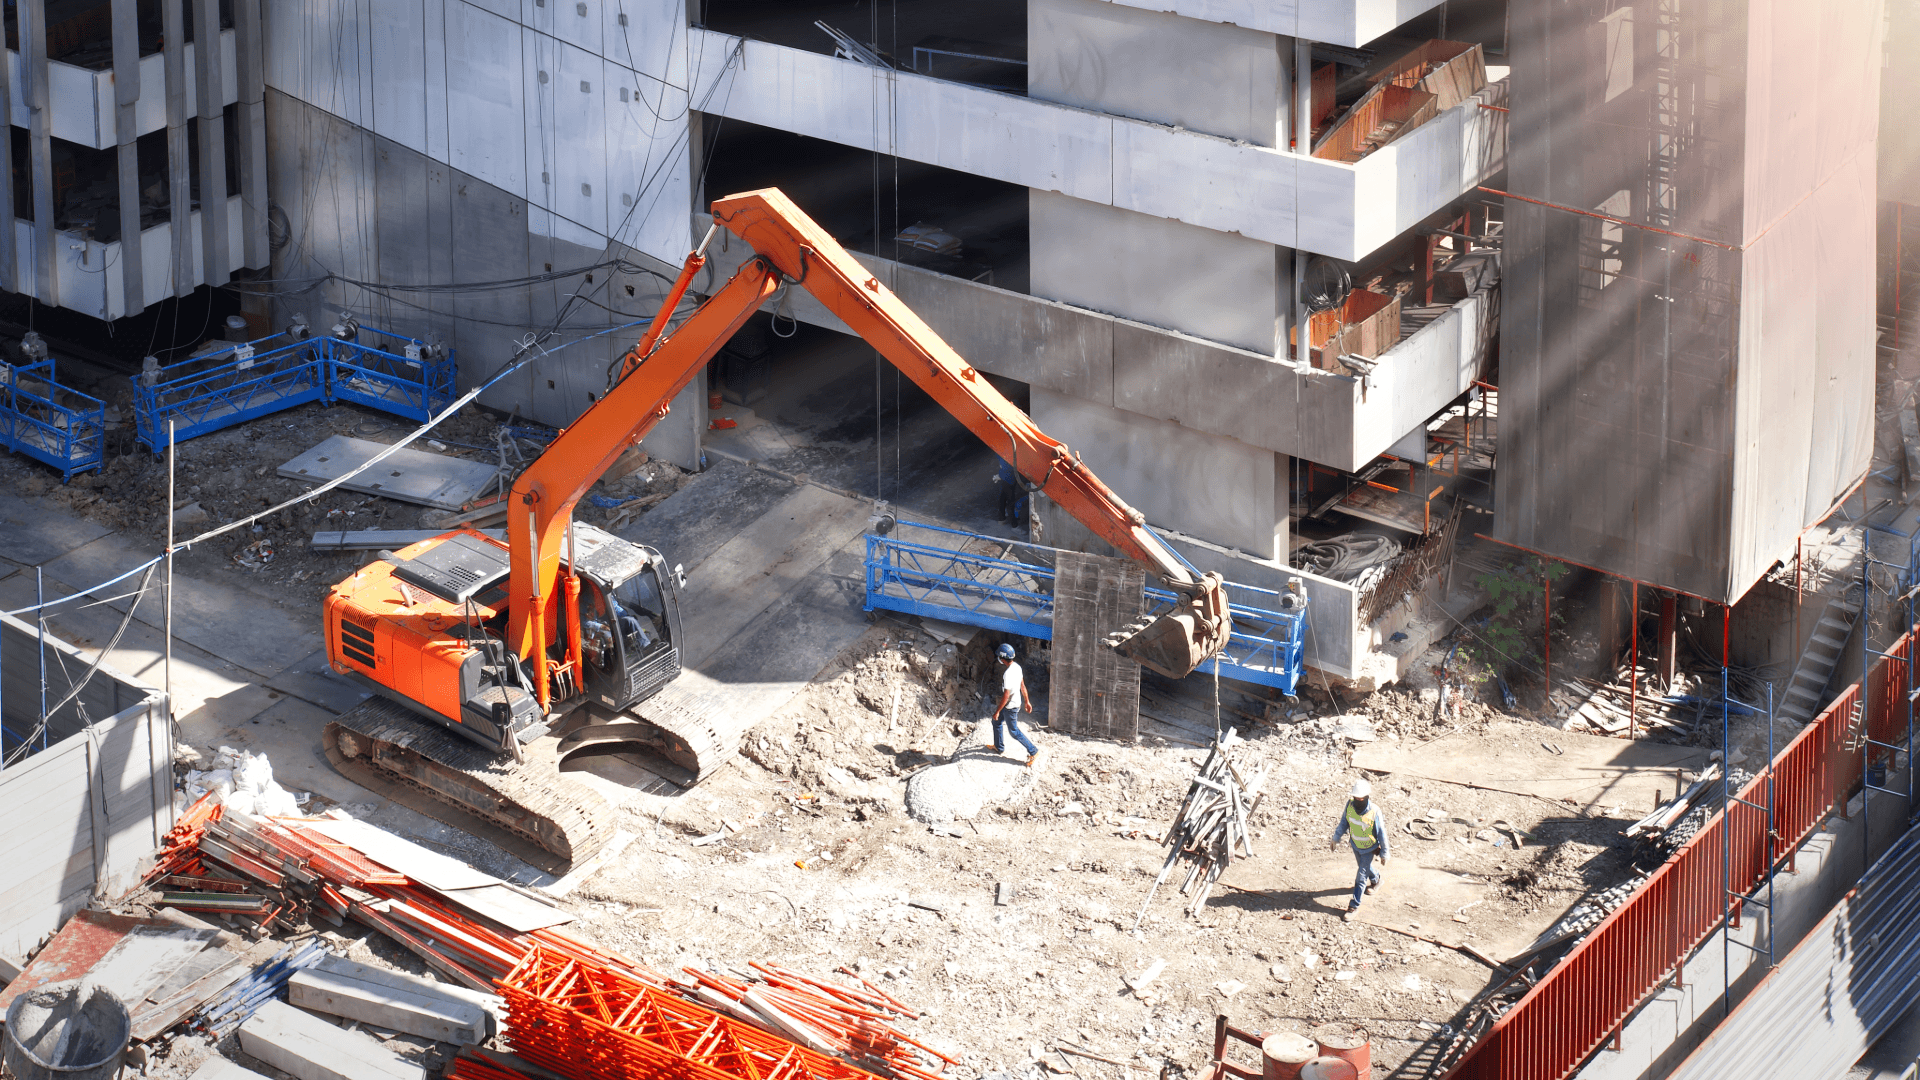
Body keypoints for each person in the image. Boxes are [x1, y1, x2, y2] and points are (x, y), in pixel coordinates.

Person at [1327, 779, 1389, 922]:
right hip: (1355, 845)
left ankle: (1353, 906)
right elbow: (1344, 822)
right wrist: (1336, 837)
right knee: (1364, 868)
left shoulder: (1375, 811)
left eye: (1362, 798)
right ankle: (1377, 880)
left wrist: (1385, 852)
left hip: (1369, 848)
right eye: (1357, 798)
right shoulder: (1349, 805)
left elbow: (1382, 833)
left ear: (1367, 797)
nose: (1359, 800)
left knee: (1361, 876)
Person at [991, 642, 1038, 767]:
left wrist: (997, 711)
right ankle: (998, 747)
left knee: (1014, 731)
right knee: (996, 722)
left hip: (1011, 707)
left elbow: (1006, 696)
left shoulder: (1007, 674)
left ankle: (1033, 751)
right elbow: (1022, 686)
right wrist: (1027, 701)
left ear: (1002, 658)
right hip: (1013, 703)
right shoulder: (1017, 667)